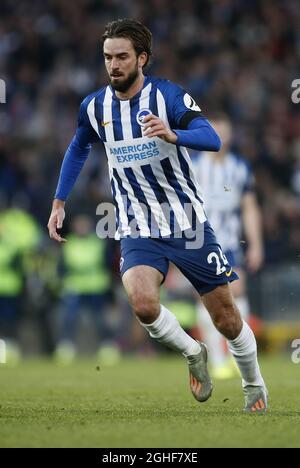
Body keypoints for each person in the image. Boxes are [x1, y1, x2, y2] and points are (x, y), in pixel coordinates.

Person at [47, 18, 267, 412]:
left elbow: (212, 138)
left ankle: (253, 383)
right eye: (107, 58)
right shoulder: (94, 107)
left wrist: (172, 134)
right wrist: (59, 200)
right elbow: (78, 146)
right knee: (143, 303)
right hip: (136, 224)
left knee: (227, 318)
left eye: (122, 57)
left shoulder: (167, 97)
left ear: (142, 58)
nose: (113, 65)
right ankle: (193, 352)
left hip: (187, 223)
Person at [192, 113, 264, 379]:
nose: (220, 139)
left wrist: (256, 244)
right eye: (215, 133)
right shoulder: (193, 165)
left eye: (225, 133)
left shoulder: (239, 167)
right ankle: (217, 358)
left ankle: (238, 353)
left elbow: (249, 207)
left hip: (231, 241)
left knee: (238, 290)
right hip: (200, 240)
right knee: (207, 297)